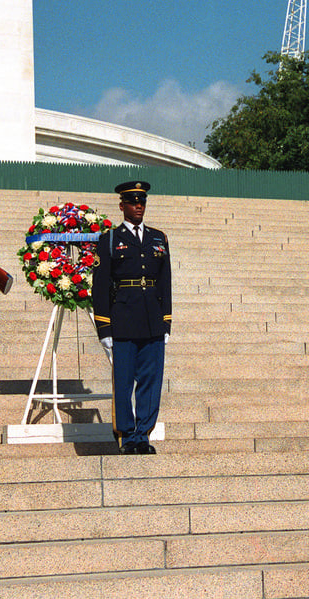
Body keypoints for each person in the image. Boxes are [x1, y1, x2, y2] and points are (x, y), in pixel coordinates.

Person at [92, 181, 172, 455]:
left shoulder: (158, 238)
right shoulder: (110, 240)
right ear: (122, 206)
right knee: (124, 381)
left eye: (142, 202)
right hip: (123, 319)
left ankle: (143, 435)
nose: (139, 206)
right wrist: (104, 329)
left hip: (152, 319)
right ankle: (125, 436)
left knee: (151, 381)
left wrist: (166, 322)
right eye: (133, 202)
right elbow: (100, 286)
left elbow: (165, 281)